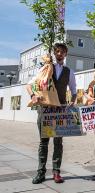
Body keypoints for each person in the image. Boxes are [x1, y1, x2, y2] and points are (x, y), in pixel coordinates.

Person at [26, 43, 77, 184]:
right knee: (43, 142)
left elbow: (73, 91)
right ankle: (40, 172)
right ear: (54, 54)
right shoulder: (45, 68)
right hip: (45, 110)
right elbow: (29, 85)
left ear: (66, 54)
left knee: (58, 142)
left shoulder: (69, 72)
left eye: (62, 52)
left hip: (60, 111)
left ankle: (56, 172)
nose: (60, 54)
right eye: (57, 51)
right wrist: (33, 96)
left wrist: (72, 102)